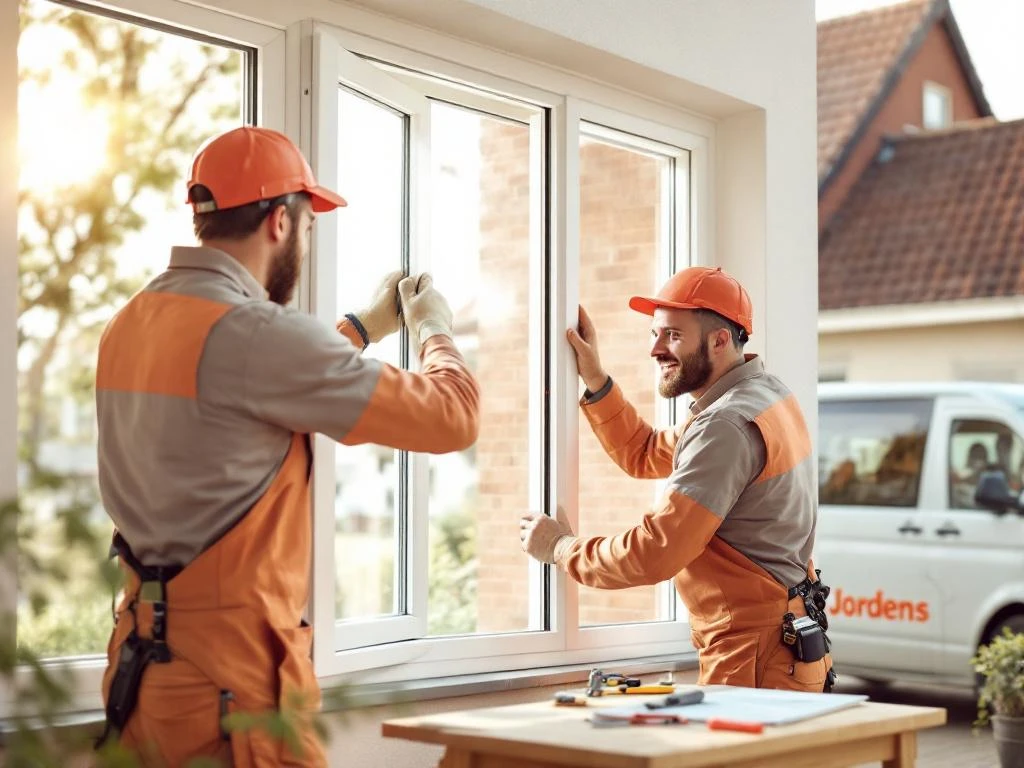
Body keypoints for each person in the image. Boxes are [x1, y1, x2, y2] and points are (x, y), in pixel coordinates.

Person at [94, 126, 480, 766]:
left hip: (145, 681)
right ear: (279, 222)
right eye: (306, 226)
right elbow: (452, 417)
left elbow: (242, 398)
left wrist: (358, 328)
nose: (304, 239)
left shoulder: (132, 321)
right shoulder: (253, 333)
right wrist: (433, 329)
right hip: (230, 693)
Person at [519, 266, 835, 692]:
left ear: (720, 340)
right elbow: (645, 452)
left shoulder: (726, 425)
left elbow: (655, 552)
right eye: (655, 334)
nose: (655, 349)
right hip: (782, 640)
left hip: (757, 655)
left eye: (672, 335)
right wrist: (595, 378)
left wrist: (560, 547)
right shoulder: (763, 394)